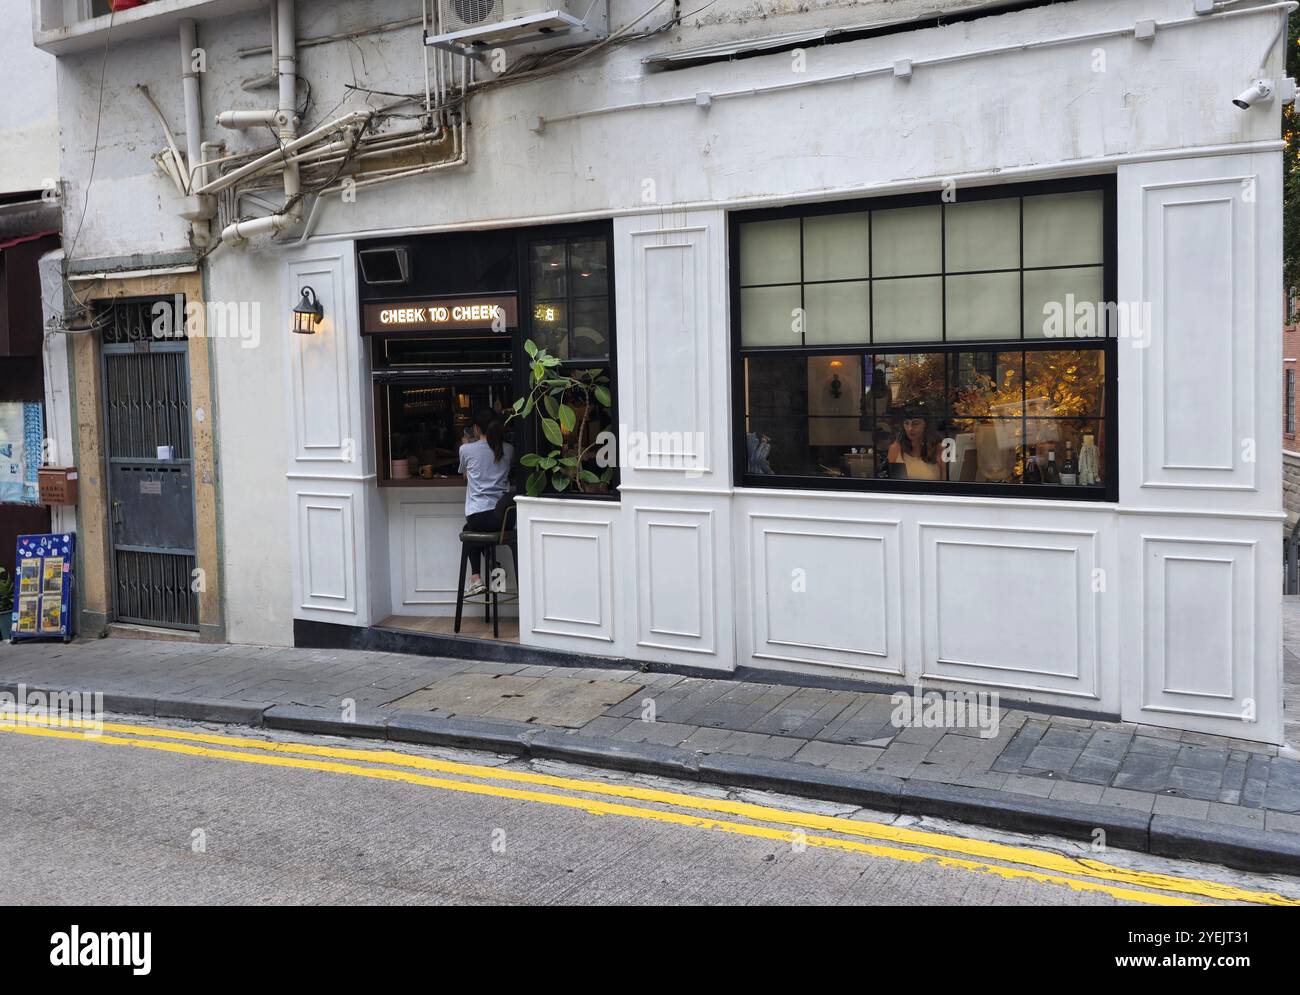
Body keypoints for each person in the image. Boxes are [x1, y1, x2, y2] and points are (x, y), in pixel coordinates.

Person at [458, 409, 514, 596]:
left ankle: (477, 578)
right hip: (505, 518)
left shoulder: (466, 449)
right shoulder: (508, 449)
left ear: (476, 428)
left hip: (479, 515)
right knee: (470, 529)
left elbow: (466, 476)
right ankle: (493, 567)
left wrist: (466, 444)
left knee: (470, 529)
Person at [887, 408, 945, 481]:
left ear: (926, 425)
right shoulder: (896, 448)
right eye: (906, 423)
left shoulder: (939, 448)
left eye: (916, 423)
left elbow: (946, 483)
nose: (910, 428)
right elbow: (895, 484)